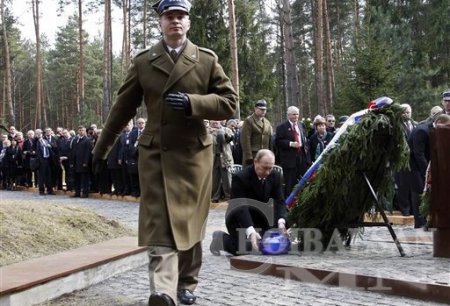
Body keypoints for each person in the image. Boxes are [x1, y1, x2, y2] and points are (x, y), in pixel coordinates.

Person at [91, 1, 238, 305]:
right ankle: (162, 291)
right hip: (156, 154)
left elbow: (229, 103)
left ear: (188, 22)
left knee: (189, 225)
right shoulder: (145, 61)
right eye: (169, 16)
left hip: (193, 156)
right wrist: (101, 148)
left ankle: (187, 283)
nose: (175, 21)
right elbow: (122, 108)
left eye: (180, 16)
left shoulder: (206, 60)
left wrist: (194, 103)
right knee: (159, 224)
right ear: (160, 22)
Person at [209, 149, 287, 256]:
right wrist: (251, 231)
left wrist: (281, 221)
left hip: (260, 218)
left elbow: (279, 201)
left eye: (270, 168)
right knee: (244, 250)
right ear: (255, 162)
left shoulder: (275, 176)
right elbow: (241, 207)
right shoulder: (240, 178)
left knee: (268, 246)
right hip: (238, 218)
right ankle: (220, 239)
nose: (268, 172)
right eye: (265, 168)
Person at [275, 106, 310, 197]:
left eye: (297, 114)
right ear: (288, 115)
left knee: (302, 181)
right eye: (294, 114)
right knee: (290, 184)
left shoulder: (301, 125)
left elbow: (305, 140)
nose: (296, 116)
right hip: (289, 160)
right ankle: (289, 204)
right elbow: (278, 141)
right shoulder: (282, 127)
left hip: (301, 158)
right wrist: (290, 144)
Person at [240, 99, 273, 165]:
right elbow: (245, 140)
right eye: (261, 109)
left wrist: (271, 154)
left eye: (264, 110)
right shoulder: (249, 121)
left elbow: (270, 140)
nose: (263, 111)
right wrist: (248, 157)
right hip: (253, 154)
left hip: (265, 155)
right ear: (255, 109)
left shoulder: (267, 122)